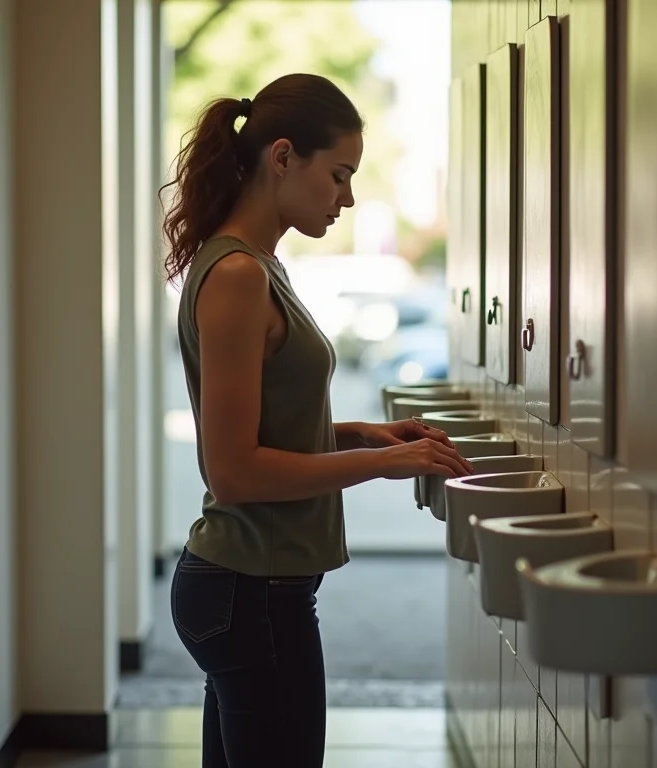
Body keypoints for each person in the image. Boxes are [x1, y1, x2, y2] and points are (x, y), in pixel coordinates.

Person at [160, 72, 473, 768]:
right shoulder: (239, 275)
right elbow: (235, 470)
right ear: (281, 158)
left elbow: (264, 433)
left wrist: (365, 435)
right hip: (250, 589)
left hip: (252, 586)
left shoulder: (258, 266)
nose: (349, 197)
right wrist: (385, 465)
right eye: (339, 174)